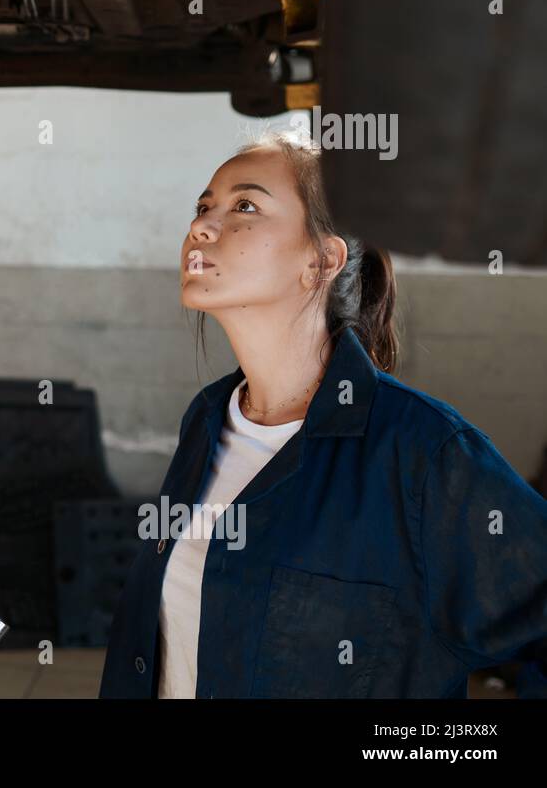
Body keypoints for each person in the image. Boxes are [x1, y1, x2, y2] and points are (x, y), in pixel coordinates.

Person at [100, 133, 547, 698]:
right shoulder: (209, 419)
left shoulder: (422, 450)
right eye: (203, 206)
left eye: (245, 206)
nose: (202, 227)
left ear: (321, 260)